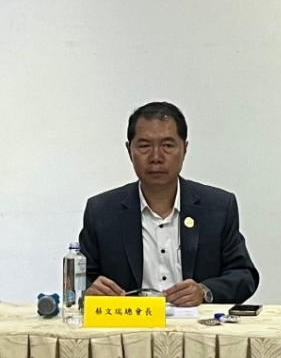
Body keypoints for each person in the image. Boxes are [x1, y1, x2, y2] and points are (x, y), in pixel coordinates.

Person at [79, 102, 258, 306]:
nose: (156, 157)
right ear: (129, 150)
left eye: (167, 146)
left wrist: (204, 291)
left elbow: (244, 276)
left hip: (196, 323)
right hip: (131, 323)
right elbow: (81, 279)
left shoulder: (219, 207)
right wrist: (89, 292)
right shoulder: (101, 211)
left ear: (184, 149)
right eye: (144, 146)